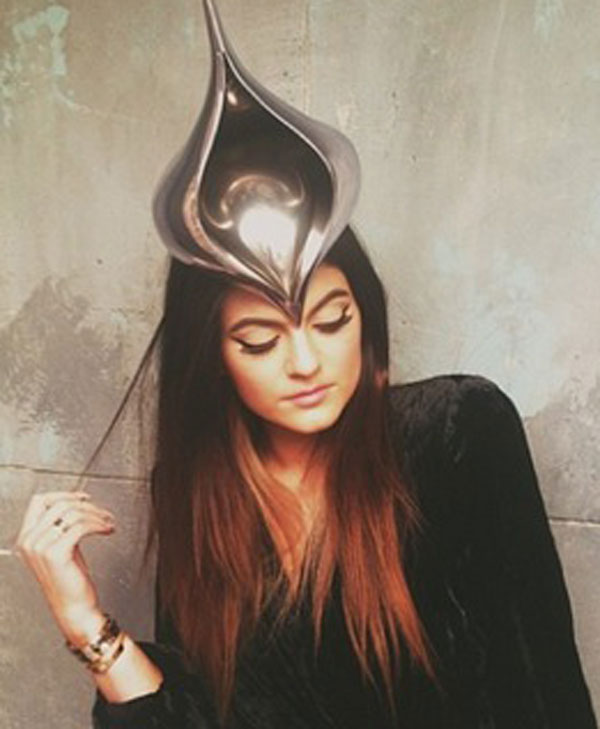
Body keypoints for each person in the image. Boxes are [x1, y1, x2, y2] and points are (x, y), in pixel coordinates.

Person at [16, 228, 597, 729]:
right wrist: (85, 625)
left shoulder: (455, 433)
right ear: (213, 356)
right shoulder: (196, 498)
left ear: (365, 319)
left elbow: (543, 687)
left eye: (332, 320)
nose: (306, 363)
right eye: (261, 341)